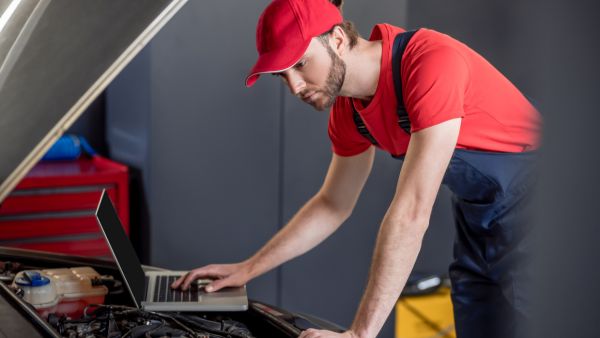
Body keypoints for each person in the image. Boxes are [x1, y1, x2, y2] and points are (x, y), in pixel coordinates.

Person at [172, 0, 541, 337]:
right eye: (282, 76)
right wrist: (247, 269)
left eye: (299, 64)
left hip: (545, 214)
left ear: (336, 39)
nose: (295, 86)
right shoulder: (349, 115)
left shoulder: (429, 64)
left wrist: (359, 334)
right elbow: (333, 204)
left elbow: (411, 213)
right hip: (479, 224)